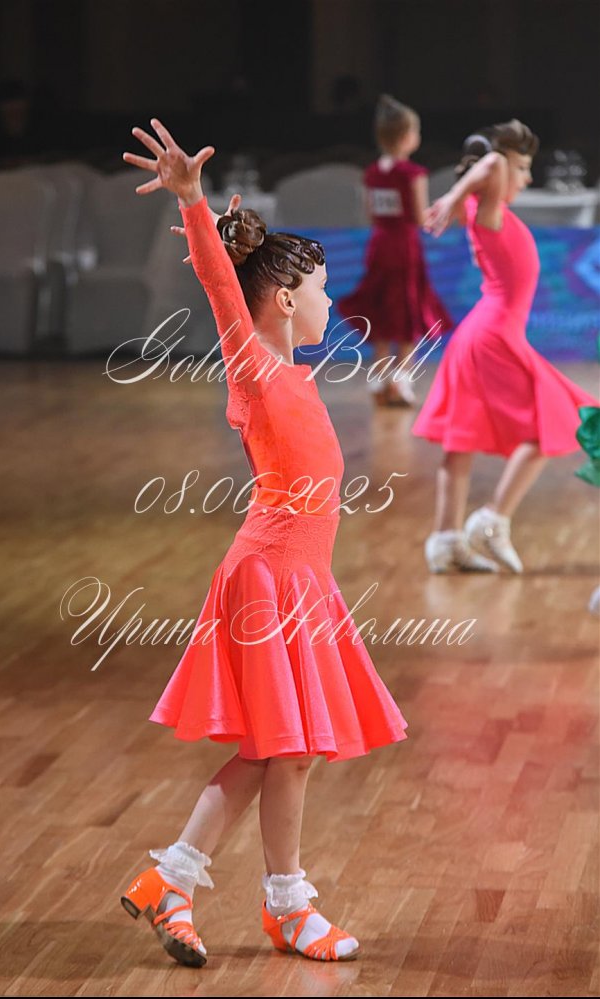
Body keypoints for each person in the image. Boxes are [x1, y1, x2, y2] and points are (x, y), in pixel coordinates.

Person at [118, 118, 409, 966]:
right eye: (321, 288)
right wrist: (193, 201)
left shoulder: (293, 373)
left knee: (281, 750)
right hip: (268, 578)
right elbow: (220, 284)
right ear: (283, 298)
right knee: (292, 749)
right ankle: (285, 904)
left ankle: (174, 879)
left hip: (299, 578)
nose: (330, 302)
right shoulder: (252, 365)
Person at [411, 119, 600, 573]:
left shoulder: (486, 208)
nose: (527, 178)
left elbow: (493, 163)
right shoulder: (485, 208)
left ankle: (446, 540)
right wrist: (454, 195)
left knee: (462, 440)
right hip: (492, 335)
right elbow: (494, 161)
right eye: (523, 167)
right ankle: (492, 521)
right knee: (555, 421)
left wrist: (459, 194)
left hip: (486, 332)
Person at [337, 94, 454, 406]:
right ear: (406, 136)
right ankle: (401, 382)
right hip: (403, 247)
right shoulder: (412, 173)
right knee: (405, 312)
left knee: (380, 311)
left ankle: (378, 380)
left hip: (379, 245)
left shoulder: (372, 172)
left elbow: (371, 214)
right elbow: (418, 217)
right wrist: (441, 212)